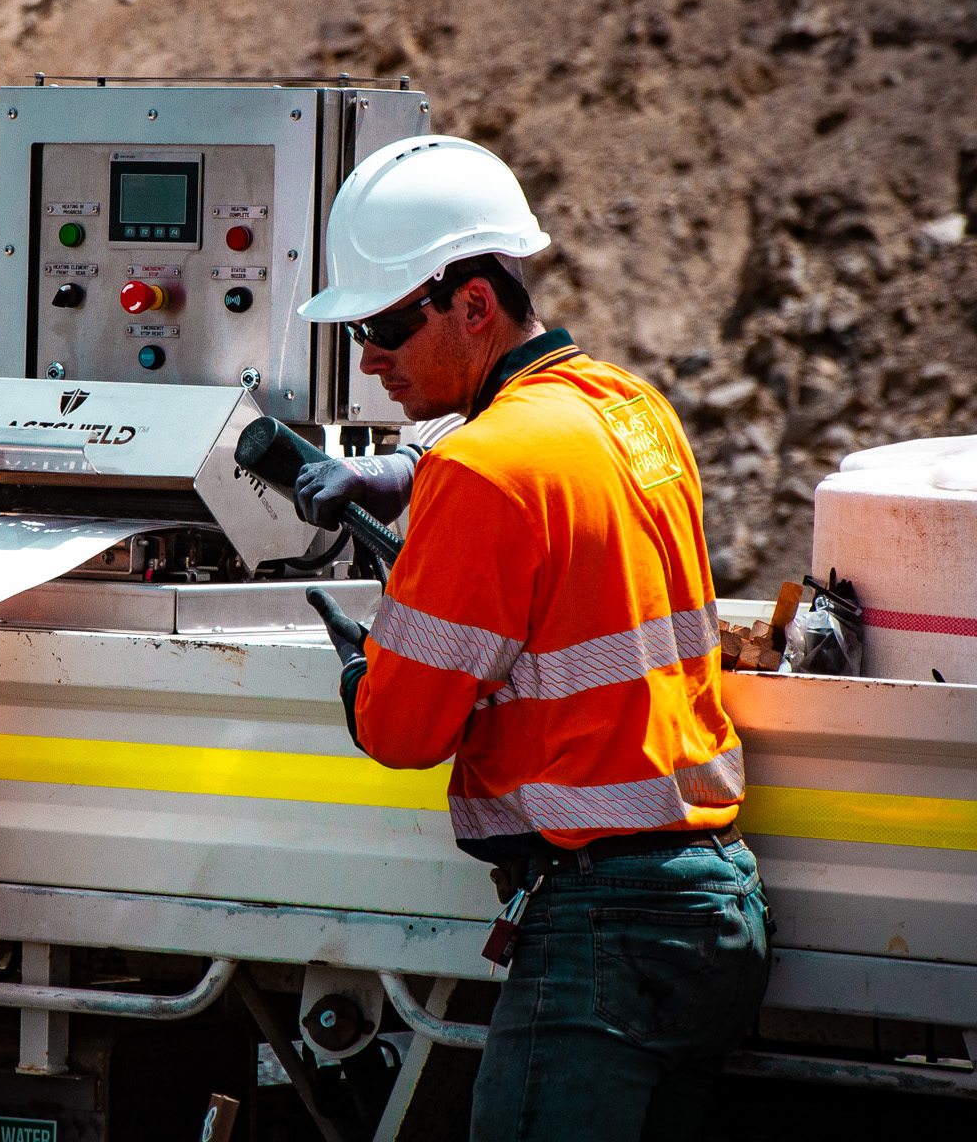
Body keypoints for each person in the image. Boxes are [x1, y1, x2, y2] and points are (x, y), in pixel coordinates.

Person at [294, 138, 771, 1141]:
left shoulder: (482, 469)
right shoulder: (630, 407)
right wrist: (414, 472)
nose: (367, 356)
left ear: (473, 305)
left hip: (601, 923)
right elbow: (542, 468)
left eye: (381, 325)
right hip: (712, 905)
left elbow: (403, 728)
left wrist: (357, 672)